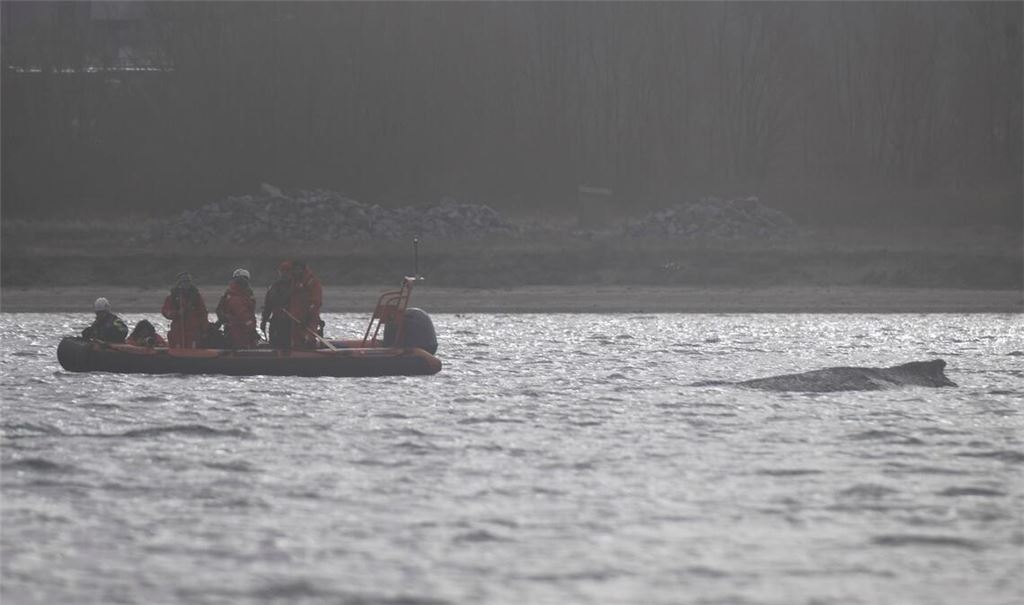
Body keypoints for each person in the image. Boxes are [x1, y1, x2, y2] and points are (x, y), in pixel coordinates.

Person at [161, 272, 210, 348]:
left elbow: (203, 313)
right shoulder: (173, 297)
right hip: (178, 330)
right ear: (179, 283)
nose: (186, 284)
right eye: (184, 281)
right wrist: (176, 313)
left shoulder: (196, 297)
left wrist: (205, 329)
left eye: (188, 281)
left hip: (193, 330)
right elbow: (165, 311)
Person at [216, 268, 258, 348]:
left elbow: (219, 310)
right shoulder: (235, 295)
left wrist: (222, 319)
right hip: (238, 330)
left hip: (239, 329)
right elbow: (242, 314)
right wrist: (252, 329)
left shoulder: (231, 294)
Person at [286, 260, 323, 349]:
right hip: (296, 317)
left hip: (309, 317)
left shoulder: (312, 282)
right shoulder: (293, 282)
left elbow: (316, 300)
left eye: (298, 269)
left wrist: (308, 315)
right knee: (296, 340)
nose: (296, 271)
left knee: (309, 339)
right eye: (295, 269)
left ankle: (310, 349)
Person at [261, 261, 293, 349]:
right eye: (283, 271)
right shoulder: (274, 287)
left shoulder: (296, 287)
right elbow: (268, 306)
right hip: (276, 320)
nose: (284, 274)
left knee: (288, 343)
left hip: (291, 321)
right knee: (274, 342)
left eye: (287, 271)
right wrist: (264, 321)